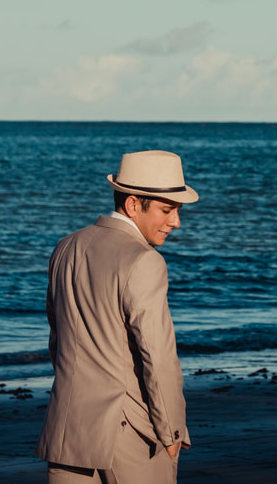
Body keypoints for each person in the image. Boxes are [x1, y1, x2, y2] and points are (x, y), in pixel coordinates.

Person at [37, 150, 198, 484]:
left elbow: (58, 340)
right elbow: (157, 356)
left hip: (67, 428)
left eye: (177, 211)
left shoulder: (66, 247)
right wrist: (171, 430)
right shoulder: (144, 260)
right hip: (131, 437)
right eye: (167, 210)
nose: (176, 222)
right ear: (134, 204)